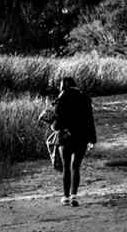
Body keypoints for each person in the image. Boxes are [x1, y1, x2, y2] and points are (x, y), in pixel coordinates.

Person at [39, 76, 97, 206]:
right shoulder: (85, 99)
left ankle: (65, 197)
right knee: (76, 167)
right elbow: (90, 121)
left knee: (66, 167)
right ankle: (74, 196)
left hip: (65, 137)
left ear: (62, 86)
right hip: (81, 137)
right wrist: (93, 139)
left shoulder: (61, 100)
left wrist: (51, 124)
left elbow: (57, 125)